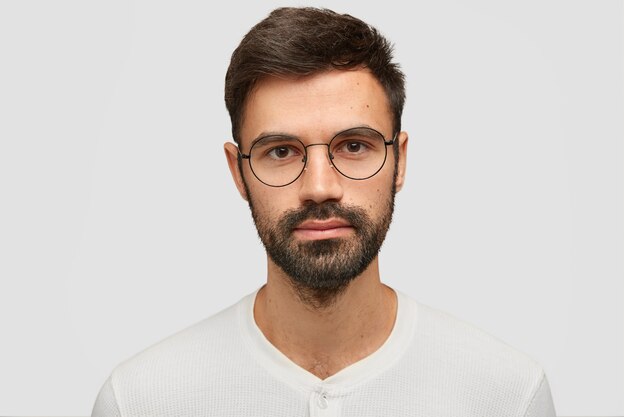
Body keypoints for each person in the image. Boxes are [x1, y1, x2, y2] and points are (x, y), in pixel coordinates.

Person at [91, 7, 556, 416]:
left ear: (400, 161)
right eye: (281, 151)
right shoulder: (143, 400)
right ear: (239, 173)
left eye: (354, 146)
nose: (319, 188)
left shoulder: (505, 395)